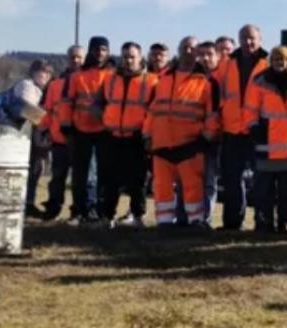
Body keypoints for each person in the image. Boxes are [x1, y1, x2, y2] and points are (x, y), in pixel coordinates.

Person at [144, 36, 221, 228]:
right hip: (161, 142)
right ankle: (164, 221)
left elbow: (213, 114)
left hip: (190, 144)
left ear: (198, 53)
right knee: (162, 186)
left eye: (192, 48)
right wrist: (147, 135)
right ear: (178, 50)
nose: (188, 51)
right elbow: (153, 110)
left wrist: (206, 138)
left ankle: (196, 221)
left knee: (193, 186)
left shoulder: (206, 81)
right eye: (184, 47)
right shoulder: (163, 78)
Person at [99, 42, 157, 229]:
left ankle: (138, 216)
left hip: (137, 137)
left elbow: (154, 111)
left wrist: (148, 135)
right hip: (112, 136)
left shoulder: (151, 81)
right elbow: (101, 103)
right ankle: (107, 217)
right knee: (110, 180)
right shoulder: (110, 79)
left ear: (140, 58)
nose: (128, 60)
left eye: (132, 57)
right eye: (125, 57)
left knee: (137, 180)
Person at [59, 36, 116, 226]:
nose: (100, 53)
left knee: (104, 174)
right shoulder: (77, 76)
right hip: (80, 130)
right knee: (80, 174)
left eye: (104, 49)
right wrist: (66, 125)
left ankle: (101, 211)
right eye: (97, 49)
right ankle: (79, 210)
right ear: (90, 51)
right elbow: (66, 102)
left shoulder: (113, 75)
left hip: (105, 131)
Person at [245, 46, 287, 233]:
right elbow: (250, 108)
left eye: (282, 59)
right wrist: (253, 127)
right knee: (264, 189)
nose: (279, 63)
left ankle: (286, 223)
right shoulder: (260, 81)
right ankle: (263, 223)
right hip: (266, 144)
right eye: (275, 59)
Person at [219, 24, 269, 230]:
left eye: (252, 38)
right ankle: (232, 222)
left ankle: (263, 222)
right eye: (244, 38)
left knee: (262, 180)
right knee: (231, 179)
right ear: (238, 40)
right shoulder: (226, 64)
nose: (248, 42)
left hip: (258, 131)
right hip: (232, 131)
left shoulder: (268, 63)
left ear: (260, 39)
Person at [40, 45, 84, 221]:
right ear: (68, 59)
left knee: (80, 180)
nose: (76, 60)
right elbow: (48, 110)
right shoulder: (55, 85)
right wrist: (44, 131)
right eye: (73, 57)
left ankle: (78, 211)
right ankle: (53, 208)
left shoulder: (87, 83)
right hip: (59, 140)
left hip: (82, 140)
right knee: (57, 177)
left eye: (79, 57)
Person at [11, 59, 53, 218]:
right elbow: (28, 111)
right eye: (41, 71)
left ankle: (28, 203)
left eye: (48, 72)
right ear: (33, 72)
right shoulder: (27, 86)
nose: (45, 75)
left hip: (27, 135)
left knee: (35, 169)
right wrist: (51, 120)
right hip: (13, 134)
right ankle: (21, 204)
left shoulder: (39, 90)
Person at [197, 41, 224, 226]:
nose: (205, 58)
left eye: (209, 54)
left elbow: (217, 111)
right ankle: (191, 217)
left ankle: (205, 218)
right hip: (192, 136)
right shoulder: (193, 78)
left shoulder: (222, 79)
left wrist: (211, 133)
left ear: (218, 56)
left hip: (213, 138)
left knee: (209, 180)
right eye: (202, 54)